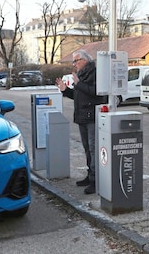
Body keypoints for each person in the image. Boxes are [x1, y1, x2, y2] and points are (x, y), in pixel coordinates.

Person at [55, 50, 107, 194]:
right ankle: (90, 176)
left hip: (92, 117)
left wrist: (78, 84)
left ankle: (96, 180)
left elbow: (97, 92)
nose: (74, 64)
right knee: (87, 148)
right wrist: (66, 90)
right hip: (82, 117)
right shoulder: (81, 75)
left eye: (76, 61)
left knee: (93, 148)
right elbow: (79, 95)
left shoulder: (95, 73)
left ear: (84, 60)